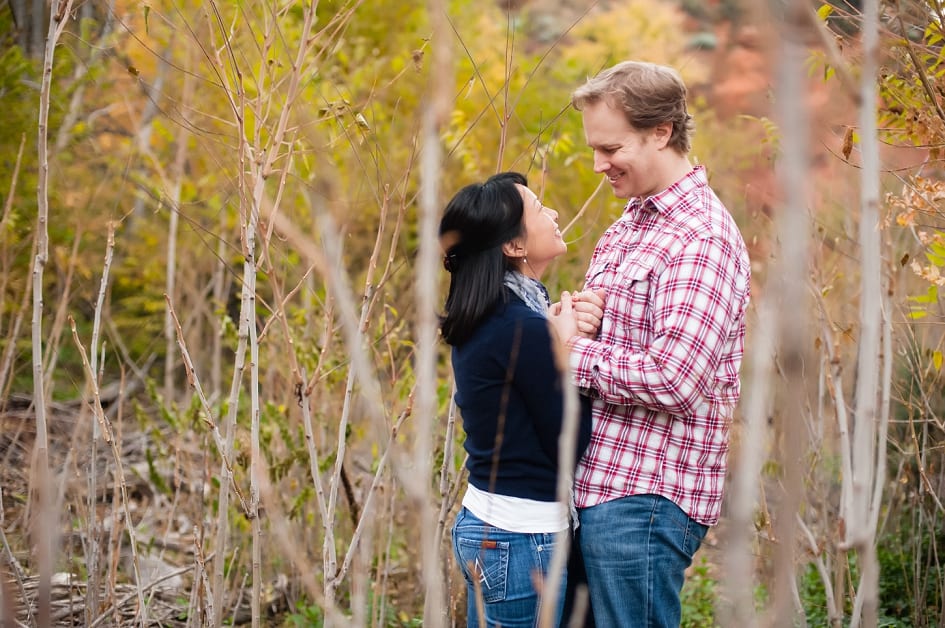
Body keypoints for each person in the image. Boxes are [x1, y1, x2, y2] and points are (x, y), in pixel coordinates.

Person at [562, 61, 752, 627]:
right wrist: (580, 320)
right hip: (595, 486)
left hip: (644, 499)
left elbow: (676, 378)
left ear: (661, 132)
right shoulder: (627, 226)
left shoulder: (702, 237)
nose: (599, 165)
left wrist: (567, 352)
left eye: (611, 148)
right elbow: (612, 341)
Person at [440, 171, 599, 627]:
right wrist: (565, 350)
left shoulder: (495, 317)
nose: (552, 213)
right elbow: (571, 442)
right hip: (520, 539)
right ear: (514, 246)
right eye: (538, 208)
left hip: (493, 528)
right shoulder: (521, 328)